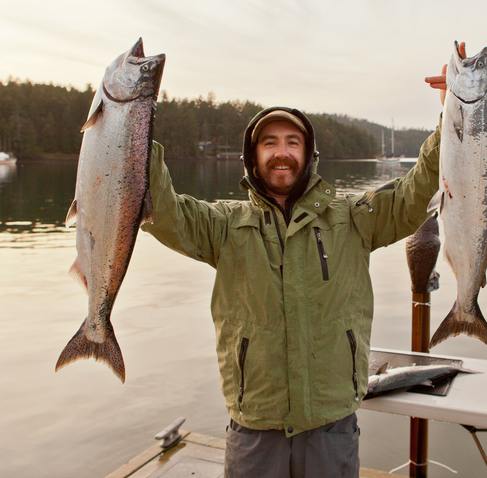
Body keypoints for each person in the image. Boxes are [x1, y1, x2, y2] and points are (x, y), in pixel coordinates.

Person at [141, 44, 464, 478]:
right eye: (270, 143)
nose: (282, 152)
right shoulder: (223, 225)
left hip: (331, 426)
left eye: (293, 142)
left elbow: (414, 193)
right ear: (253, 157)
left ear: (308, 155)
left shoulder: (353, 218)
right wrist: (137, 122)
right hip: (254, 427)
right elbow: (163, 211)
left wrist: (453, 115)